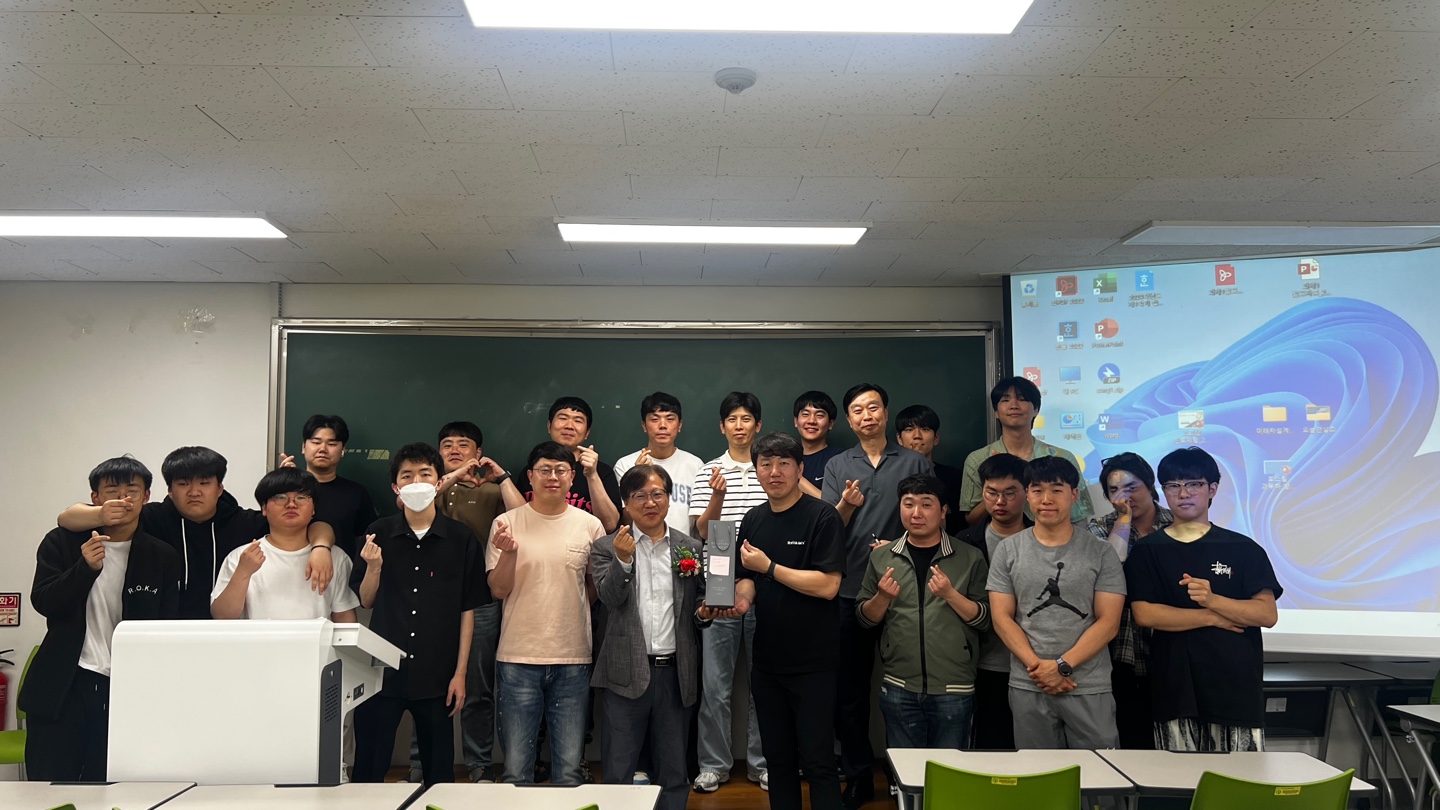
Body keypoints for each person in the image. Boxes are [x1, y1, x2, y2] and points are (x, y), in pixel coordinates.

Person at [22, 457, 182, 781]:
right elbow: (44, 601)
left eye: (132, 491)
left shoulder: (161, 555)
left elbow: (167, 625)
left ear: (146, 497)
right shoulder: (62, 542)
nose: (122, 499)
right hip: (66, 683)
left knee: (113, 786)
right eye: (112, 491)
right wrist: (84, 569)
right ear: (95, 498)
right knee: (49, 785)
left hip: (128, 687)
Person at [57, 445, 335, 619]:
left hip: (227, 632)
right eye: (183, 484)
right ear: (169, 490)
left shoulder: (244, 522)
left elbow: (314, 525)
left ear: (220, 488)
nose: (194, 492)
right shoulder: (151, 517)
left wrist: (321, 548)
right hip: (164, 630)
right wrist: (101, 513)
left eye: (204, 482)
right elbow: (66, 518)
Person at [820, 382, 932, 807]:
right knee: (849, 692)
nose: (866, 415)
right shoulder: (838, 464)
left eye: (873, 407)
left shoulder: (915, 461)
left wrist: (896, 546)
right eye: (857, 410)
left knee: (908, 687)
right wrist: (847, 505)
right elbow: (829, 528)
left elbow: (929, 517)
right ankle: (858, 775)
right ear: (849, 420)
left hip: (906, 589)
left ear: (885, 413)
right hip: (849, 589)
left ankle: (911, 776)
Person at [722, 432, 846, 810]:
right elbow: (747, 577)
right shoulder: (753, 518)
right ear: (757, 470)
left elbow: (828, 586)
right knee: (777, 762)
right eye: (766, 464)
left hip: (814, 663)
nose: (774, 472)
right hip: (767, 663)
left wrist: (770, 567)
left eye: (783, 464)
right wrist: (742, 600)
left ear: (799, 469)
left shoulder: (823, 516)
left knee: (819, 762)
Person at [1127, 448, 1282, 753]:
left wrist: (1212, 599)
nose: (1183, 493)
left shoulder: (1243, 548)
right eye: (1173, 485)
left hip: (1235, 688)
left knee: (1240, 778)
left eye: (1193, 484)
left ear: (1212, 489)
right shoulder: (1148, 550)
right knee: (1176, 777)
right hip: (1175, 688)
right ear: (1163, 491)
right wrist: (1212, 617)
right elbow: (1145, 614)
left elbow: (1266, 614)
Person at [351, 443, 487, 786]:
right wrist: (374, 568)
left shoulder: (461, 538)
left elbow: (467, 610)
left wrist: (460, 674)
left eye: (425, 474)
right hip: (383, 672)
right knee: (369, 769)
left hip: (437, 674)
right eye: (407, 476)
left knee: (439, 773)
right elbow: (366, 601)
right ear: (395, 487)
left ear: (439, 482)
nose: (416, 482)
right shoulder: (378, 532)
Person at [488, 441, 607, 786]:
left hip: (573, 658)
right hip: (517, 657)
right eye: (544, 470)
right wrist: (509, 554)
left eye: (560, 470)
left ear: (571, 477)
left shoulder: (590, 525)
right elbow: (498, 590)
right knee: (516, 770)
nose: (552, 477)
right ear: (530, 476)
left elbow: (594, 587)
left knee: (569, 770)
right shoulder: (506, 523)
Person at [986, 456, 1125, 750]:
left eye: (1057, 490)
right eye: (1037, 490)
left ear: (1074, 495)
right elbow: (1001, 618)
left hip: (1088, 684)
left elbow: (1109, 622)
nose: (1046, 499)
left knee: (1100, 773)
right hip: (1029, 682)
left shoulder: (1101, 552)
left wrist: (1062, 666)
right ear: (1027, 494)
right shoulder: (1008, 550)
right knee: (1038, 774)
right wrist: (1039, 668)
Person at [591, 465, 705, 810]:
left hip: (676, 673)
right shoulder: (607, 547)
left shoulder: (689, 546)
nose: (650, 502)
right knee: (618, 770)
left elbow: (698, 602)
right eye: (639, 495)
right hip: (625, 674)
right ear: (626, 503)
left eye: (657, 494)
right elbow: (609, 598)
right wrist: (623, 561)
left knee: (674, 771)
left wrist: (704, 613)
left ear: (669, 499)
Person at [856, 474, 989, 749]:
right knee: (905, 769)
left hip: (954, 686)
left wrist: (950, 594)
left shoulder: (970, 556)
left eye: (926, 504)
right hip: (898, 684)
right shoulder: (882, 557)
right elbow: (864, 619)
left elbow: (986, 619)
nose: (916, 513)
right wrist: (882, 597)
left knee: (950, 768)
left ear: (943, 511)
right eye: (908, 504)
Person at [427, 420, 525, 783]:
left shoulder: (491, 491)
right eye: (447, 445)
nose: (455, 450)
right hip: (432, 598)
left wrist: (502, 477)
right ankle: (422, 764)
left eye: (463, 444)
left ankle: (479, 764)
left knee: (479, 686)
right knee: (427, 684)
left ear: (478, 453)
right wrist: (452, 475)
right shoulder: (429, 488)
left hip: (480, 596)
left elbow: (523, 517)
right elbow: (413, 504)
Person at [689, 391, 769, 794]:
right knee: (715, 686)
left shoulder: (770, 468)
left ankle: (763, 764)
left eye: (747, 418)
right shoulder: (707, 471)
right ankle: (713, 765)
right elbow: (703, 532)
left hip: (766, 588)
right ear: (722, 427)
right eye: (732, 419)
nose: (740, 426)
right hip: (717, 587)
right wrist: (718, 495)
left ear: (758, 425)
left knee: (764, 684)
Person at [1087, 452, 1174, 750]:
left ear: (1150, 485)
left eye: (1132, 487)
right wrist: (1123, 520)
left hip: (1171, 646)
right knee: (1131, 741)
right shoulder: (1100, 528)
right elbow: (1111, 567)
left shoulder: (1177, 524)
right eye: (1114, 490)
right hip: (1122, 649)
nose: (1124, 497)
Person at [211, 467, 360, 623]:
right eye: (280, 497)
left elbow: (344, 619)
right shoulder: (243, 556)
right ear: (264, 508)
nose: (291, 504)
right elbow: (223, 616)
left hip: (317, 640)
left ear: (314, 509)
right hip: (258, 639)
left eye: (301, 497)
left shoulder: (334, 557)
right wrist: (243, 571)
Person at [954, 453, 1031, 749]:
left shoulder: (1044, 538)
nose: (1000, 501)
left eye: (1010, 493)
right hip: (984, 664)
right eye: (991, 492)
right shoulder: (964, 542)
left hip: (1035, 662)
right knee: (991, 747)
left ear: (1026, 492)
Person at [960, 377, 1094, 527]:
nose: (1014, 405)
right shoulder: (978, 459)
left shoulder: (1062, 458)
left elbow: (1079, 517)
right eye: (1005, 400)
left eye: (1022, 399)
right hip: (997, 540)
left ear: (1036, 409)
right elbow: (971, 520)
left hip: (1053, 539)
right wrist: (997, 491)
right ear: (996, 412)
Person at [515, 396, 622, 533]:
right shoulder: (533, 471)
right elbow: (517, 519)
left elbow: (609, 525)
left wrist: (592, 475)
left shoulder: (602, 472)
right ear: (549, 426)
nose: (569, 426)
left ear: (587, 433)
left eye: (578, 421)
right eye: (563, 418)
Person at [283, 414, 376, 559]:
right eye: (316, 442)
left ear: (343, 450)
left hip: (340, 569)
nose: (323, 449)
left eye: (331, 444)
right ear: (303, 447)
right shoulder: (286, 489)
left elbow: (368, 540)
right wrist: (283, 483)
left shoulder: (356, 493)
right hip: (289, 566)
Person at [613, 392, 704, 537]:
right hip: (638, 547)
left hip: (684, 549)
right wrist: (636, 478)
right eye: (655, 419)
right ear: (644, 425)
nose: (662, 425)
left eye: (670, 419)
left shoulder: (696, 465)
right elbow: (626, 520)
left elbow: (702, 525)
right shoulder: (625, 465)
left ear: (679, 425)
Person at [894, 404, 966, 536]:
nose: (917, 436)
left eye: (925, 429)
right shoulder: (891, 476)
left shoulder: (953, 477)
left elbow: (957, 524)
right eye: (909, 429)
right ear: (899, 438)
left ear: (936, 437)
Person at [794, 390, 843, 495]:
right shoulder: (786, 458)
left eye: (819, 415)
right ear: (796, 421)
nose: (811, 421)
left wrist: (794, 476)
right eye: (805, 414)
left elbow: (837, 504)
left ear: (830, 424)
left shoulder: (840, 459)